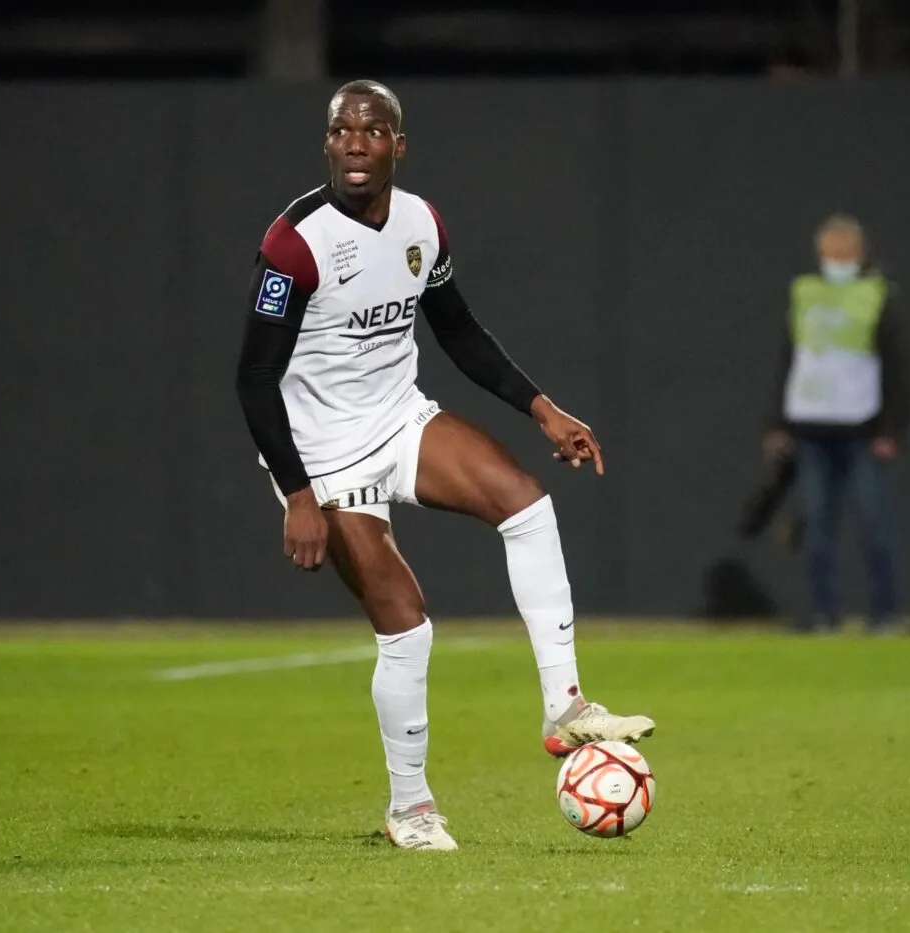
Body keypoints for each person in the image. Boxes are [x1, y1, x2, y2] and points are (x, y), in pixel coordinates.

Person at [234, 80, 655, 851]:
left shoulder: (421, 224)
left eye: (373, 129)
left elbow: (457, 331)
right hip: (322, 453)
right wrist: (296, 493)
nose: (356, 142)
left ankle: (564, 707)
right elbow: (253, 377)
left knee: (526, 502)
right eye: (342, 130)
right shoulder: (295, 244)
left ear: (399, 145)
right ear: (327, 144)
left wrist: (541, 407)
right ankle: (412, 808)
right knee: (408, 626)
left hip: (399, 417)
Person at [763, 214, 910, 634]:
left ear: (859, 254)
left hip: (861, 427)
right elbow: (790, 360)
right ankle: (822, 615)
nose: (836, 261)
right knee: (816, 530)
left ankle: (884, 615)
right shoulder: (806, 292)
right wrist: (777, 423)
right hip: (812, 426)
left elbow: (900, 368)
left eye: (843, 254)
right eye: (830, 254)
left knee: (874, 525)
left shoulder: (876, 295)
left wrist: (891, 429)